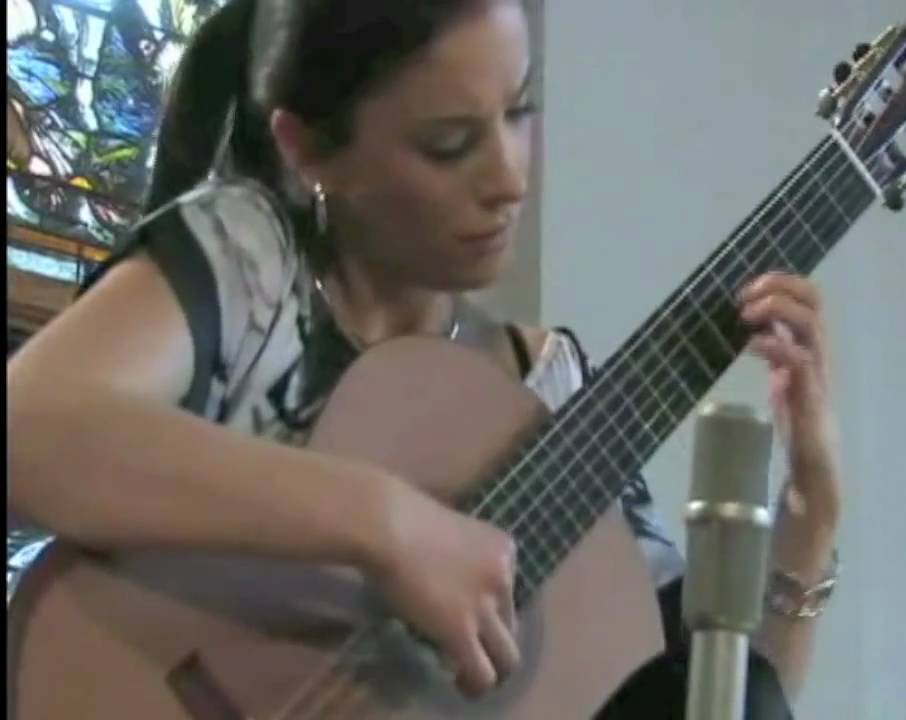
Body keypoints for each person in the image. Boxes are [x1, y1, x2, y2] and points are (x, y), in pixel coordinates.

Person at [5, 0, 843, 713]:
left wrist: (810, 516)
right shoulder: (251, 270)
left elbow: (717, 699)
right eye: (448, 143)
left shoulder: (543, 387)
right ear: (307, 149)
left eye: (519, 111)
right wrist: (390, 528)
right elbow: (27, 430)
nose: (509, 179)